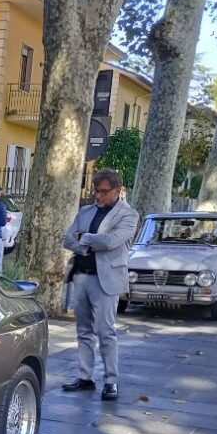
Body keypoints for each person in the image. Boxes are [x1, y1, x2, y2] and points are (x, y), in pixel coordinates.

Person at [61, 169, 139, 401]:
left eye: (104, 191)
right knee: (83, 330)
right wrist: (88, 244)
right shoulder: (85, 211)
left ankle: (111, 381)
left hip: (106, 280)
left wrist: (82, 238)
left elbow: (112, 241)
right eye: (96, 190)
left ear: (117, 191)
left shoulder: (128, 215)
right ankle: (85, 377)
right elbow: (66, 239)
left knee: (106, 332)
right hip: (82, 276)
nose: (98, 196)